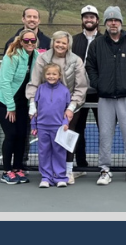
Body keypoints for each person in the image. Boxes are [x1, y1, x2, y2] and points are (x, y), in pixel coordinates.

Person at [85, 6, 126, 186]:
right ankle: (105, 170)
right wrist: (99, 84)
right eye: (110, 20)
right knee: (105, 134)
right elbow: (90, 66)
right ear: (105, 23)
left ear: (121, 22)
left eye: (116, 20)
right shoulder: (97, 44)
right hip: (105, 98)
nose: (113, 23)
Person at [26, 31, 88, 184]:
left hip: (71, 107)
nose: (60, 45)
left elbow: (81, 87)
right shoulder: (43, 58)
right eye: (57, 42)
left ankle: (66, 172)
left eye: (64, 43)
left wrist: (71, 107)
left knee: (66, 140)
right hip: (47, 110)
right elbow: (34, 82)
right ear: (53, 42)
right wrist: (33, 105)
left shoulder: (76, 60)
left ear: (69, 45)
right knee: (46, 146)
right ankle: (47, 175)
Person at [0, 30, 37, 184]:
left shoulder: (37, 57)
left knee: (22, 134)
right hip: (2, 98)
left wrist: (32, 105)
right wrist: (10, 106)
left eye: (33, 40)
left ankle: (17, 168)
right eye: (26, 40)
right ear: (21, 42)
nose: (30, 43)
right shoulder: (12, 56)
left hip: (21, 100)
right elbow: (5, 82)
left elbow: (33, 82)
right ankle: (6, 171)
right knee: (11, 133)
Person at [70, 5, 102, 173]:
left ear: (97, 20)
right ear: (82, 20)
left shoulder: (105, 40)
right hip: (78, 94)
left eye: (92, 17)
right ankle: (80, 163)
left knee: (104, 130)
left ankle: (104, 164)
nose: (89, 20)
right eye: (86, 17)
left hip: (99, 94)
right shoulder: (73, 40)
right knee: (77, 129)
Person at [30, 62, 72, 187]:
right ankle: (46, 177)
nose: (51, 76)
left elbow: (67, 110)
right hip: (43, 127)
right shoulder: (40, 89)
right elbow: (34, 111)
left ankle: (60, 177)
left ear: (59, 76)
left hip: (58, 128)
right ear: (44, 75)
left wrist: (65, 123)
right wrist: (34, 126)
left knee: (59, 152)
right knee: (44, 152)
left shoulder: (65, 91)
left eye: (54, 74)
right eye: (48, 74)